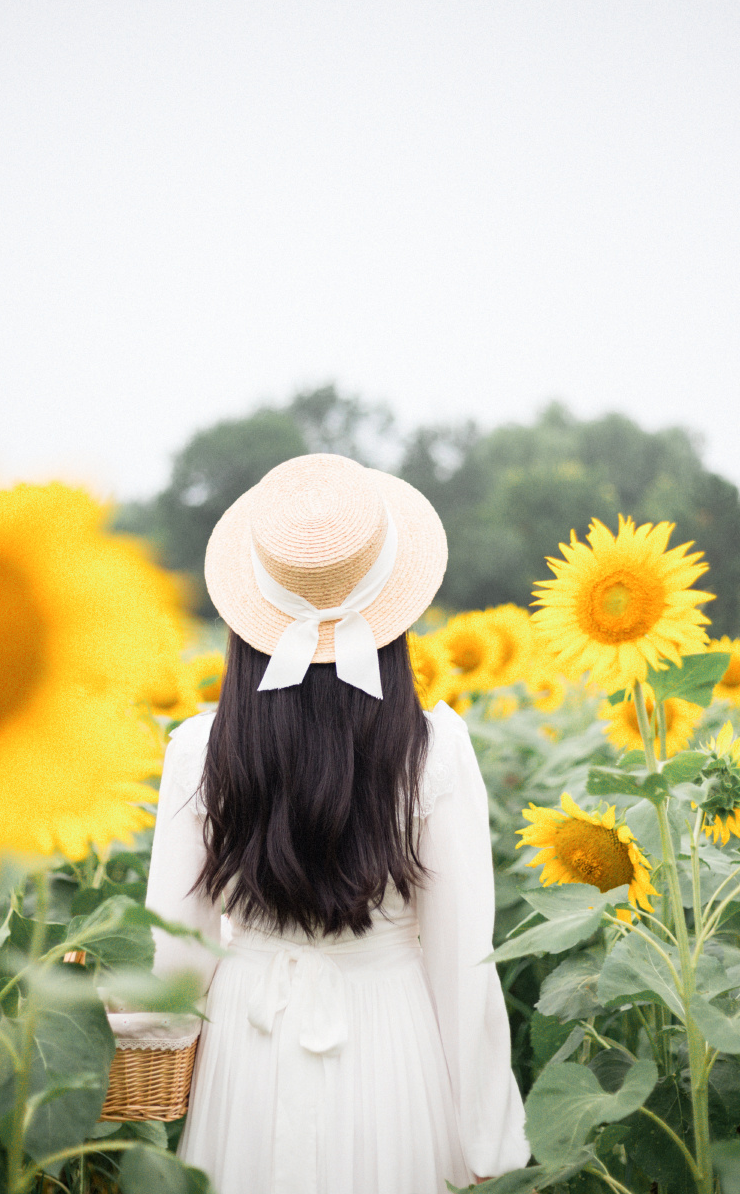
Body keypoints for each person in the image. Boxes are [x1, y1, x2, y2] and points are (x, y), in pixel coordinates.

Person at [142, 453, 530, 1193]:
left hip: (247, 1045)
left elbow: (176, 946)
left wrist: (145, 1042)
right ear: (393, 608)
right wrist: (485, 1135)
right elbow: (461, 959)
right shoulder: (433, 749)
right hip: (389, 1042)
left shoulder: (198, 747)